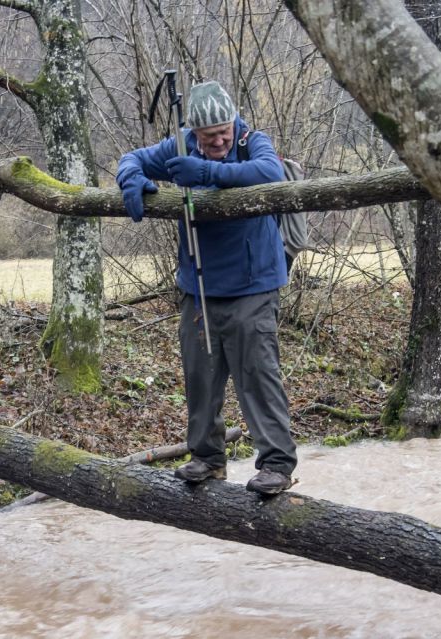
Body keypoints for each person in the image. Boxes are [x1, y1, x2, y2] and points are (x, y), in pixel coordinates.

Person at [115, 81, 297, 495]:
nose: (218, 140)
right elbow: (132, 159)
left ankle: (277, 466)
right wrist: (133, 180)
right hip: (199, 286)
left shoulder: (253, 142)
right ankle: (208, 459)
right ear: (194, 133)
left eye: (224, 132)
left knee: (257, 376)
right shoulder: (180, 146)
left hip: (254, 284)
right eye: (209, 136)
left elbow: (270, 173)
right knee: (201, 375)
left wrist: (209, 173)